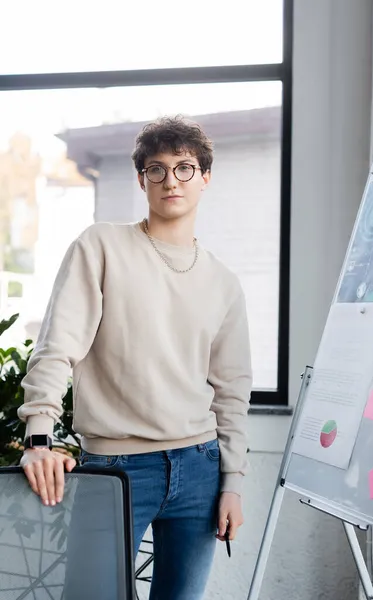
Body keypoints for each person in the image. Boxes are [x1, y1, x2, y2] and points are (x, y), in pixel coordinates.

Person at [18, 115, 253, 600]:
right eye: (157, 168)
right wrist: (38, 434)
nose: (171, 180)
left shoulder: (224, 283)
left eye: (185, 168)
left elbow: (232, 392)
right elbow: (58, 345)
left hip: (200, 468)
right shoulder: (101, 246)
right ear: (141, 178)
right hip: (116, 466)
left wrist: (232, 481)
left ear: (205, 177)